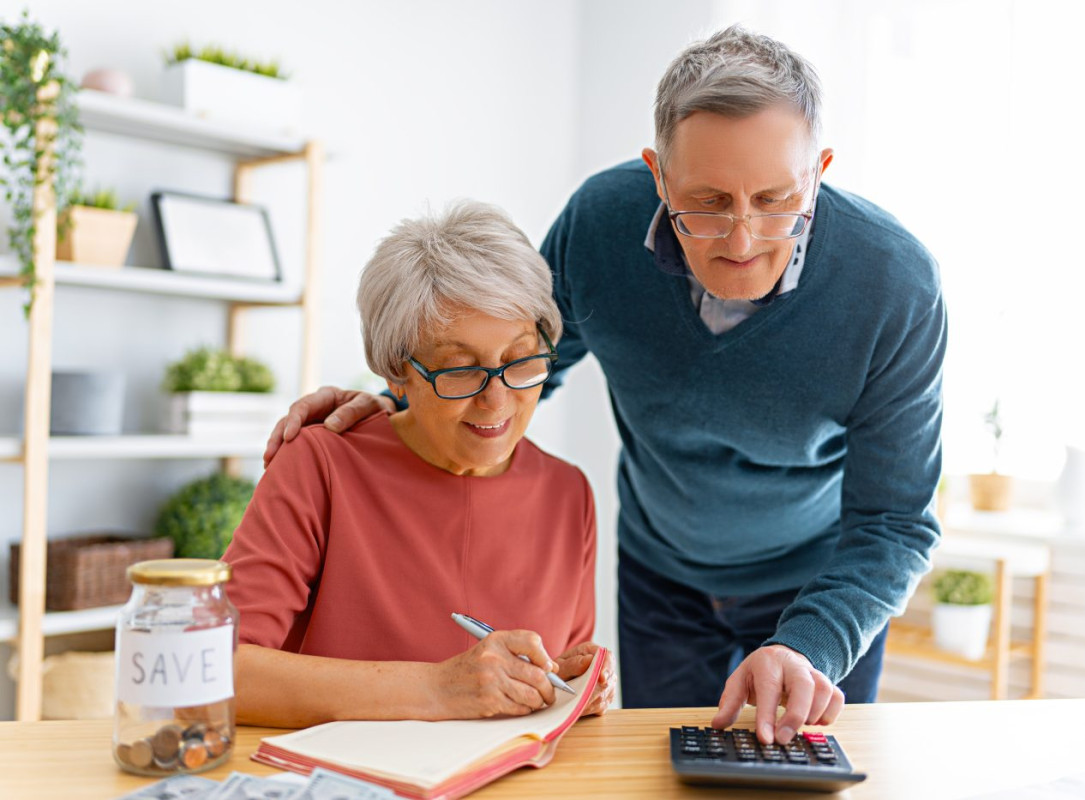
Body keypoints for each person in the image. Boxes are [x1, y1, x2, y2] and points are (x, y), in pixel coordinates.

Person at [264, 26, 945, 745]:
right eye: (706, 202)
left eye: (776, 200)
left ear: (820, 170)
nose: (742, 241)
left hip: (818, 583)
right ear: (658, 175)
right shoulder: (599, 225)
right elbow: (518, 363)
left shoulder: (894, 285)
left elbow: (896, 522)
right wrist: (398, 401)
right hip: (661, 574)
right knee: (662, 779)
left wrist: (809, 646)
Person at [223, 201, 614, 728]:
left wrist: (572, 688)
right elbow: (218, 669)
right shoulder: (320, 466)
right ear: (395, 369)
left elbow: (551, 695)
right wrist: (436, 689)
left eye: (521, 359)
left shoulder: (568, 494)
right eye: (458, 370)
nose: (497, 401)